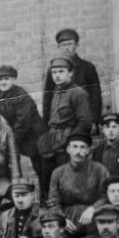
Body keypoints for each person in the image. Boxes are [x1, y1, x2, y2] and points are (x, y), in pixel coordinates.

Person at [38, 57, 93, 195]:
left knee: (65, 179)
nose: (57, 75)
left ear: (70, 73)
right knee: (47, 179)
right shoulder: (56, 91)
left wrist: (70, 142)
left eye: (61, 71)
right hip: (52, 140)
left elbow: (85, 122)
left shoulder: (78, 93)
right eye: (54, 72)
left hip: (66, 142)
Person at [0, 64, 47, 185]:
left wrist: (12, 140)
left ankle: (45, 193)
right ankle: (16, 189)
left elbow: (23, 121)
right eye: (0, 79)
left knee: (40, 166)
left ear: (13, 79)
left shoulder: (22, 95)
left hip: (34, 134)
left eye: (6, 79)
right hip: (17, 134)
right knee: (11, 162)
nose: (3, 82)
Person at [47, 132, 109, 233]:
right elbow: (53, 202)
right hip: (67, 221)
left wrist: (93, 209)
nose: (78, 151)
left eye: (82, 147)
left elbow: (106, 196)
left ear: (88, 150)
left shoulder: (100, 170)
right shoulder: (58, 173)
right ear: (68, 149)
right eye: (74, 147)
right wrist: (62, 220)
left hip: (93, 219)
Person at [43, 28, 102, 127]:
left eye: (70, 44)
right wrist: (45, 122)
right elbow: (47, 97)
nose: (67, 48)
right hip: (61, 121)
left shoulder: (87, 67)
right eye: (63, 45)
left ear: (76, 45)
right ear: (58, 47)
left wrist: (94, 120)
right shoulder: (53, 70)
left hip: (82, 118)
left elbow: (95, 96)